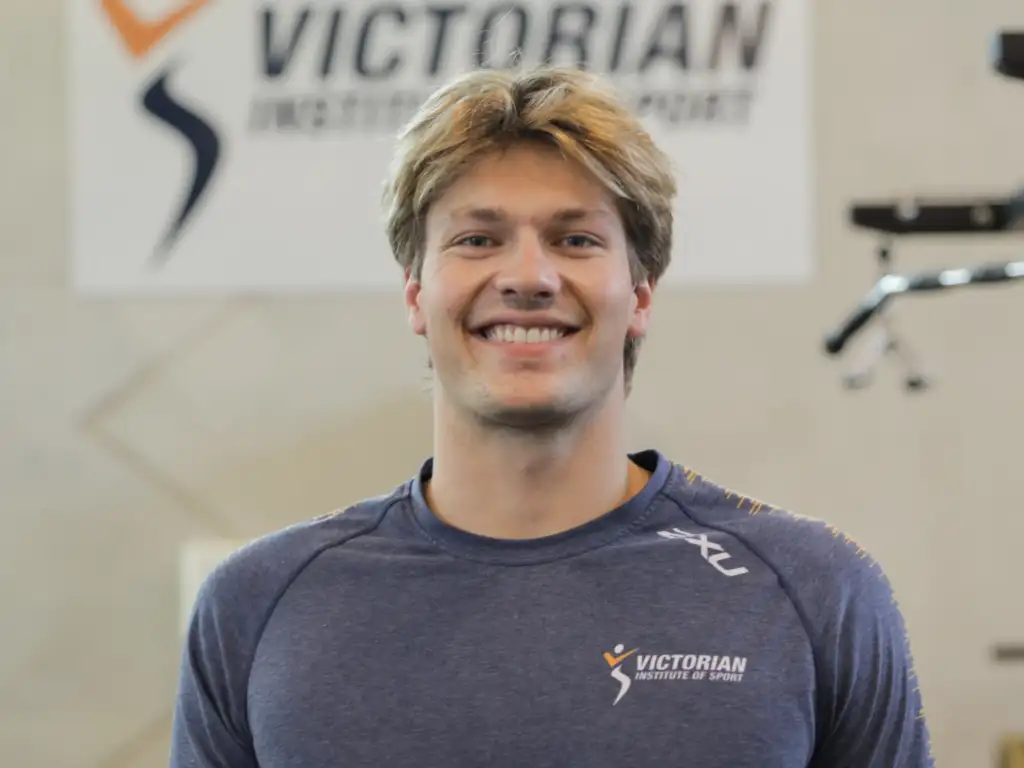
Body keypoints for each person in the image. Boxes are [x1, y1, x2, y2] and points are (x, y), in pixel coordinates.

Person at [169, 65, 934, 767]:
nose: (529, 277)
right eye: (478, 239)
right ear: (415, 294)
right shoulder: (258, 605)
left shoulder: (815, 591)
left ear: (639, 295)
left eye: (575, 239)